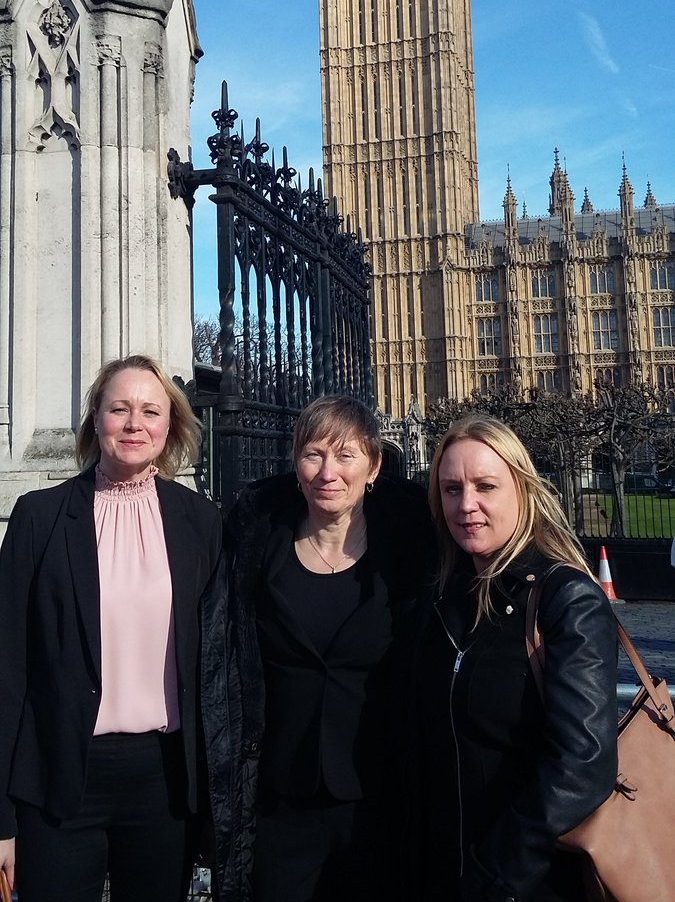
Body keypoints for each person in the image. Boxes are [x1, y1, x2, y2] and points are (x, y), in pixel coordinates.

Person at [0, 354, 222, 902]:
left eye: (151, 411)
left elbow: (218, 666)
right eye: (118, 408)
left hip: (163, 781)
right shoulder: (39, 517)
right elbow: (6, 668)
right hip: (59, 778)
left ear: (171, 425)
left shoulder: (201, 522)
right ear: (94, 419)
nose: (134, 424)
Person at [201, 394, 437, 902]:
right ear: (295, 463)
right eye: (313, 454)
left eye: (345, 455)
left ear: (374, 466)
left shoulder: (412, 546)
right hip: (281, 799)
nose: (328, 471)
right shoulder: (257, 542)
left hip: (379, 796)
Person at [411, 414, 618, 902]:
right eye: (450, 489)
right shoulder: (442, 596)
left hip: (526, 882)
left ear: (523, 490)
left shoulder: (565, 598)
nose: (467, 505)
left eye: (486, 486)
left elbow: (582, 763)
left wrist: (495, 875)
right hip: (441, 872)